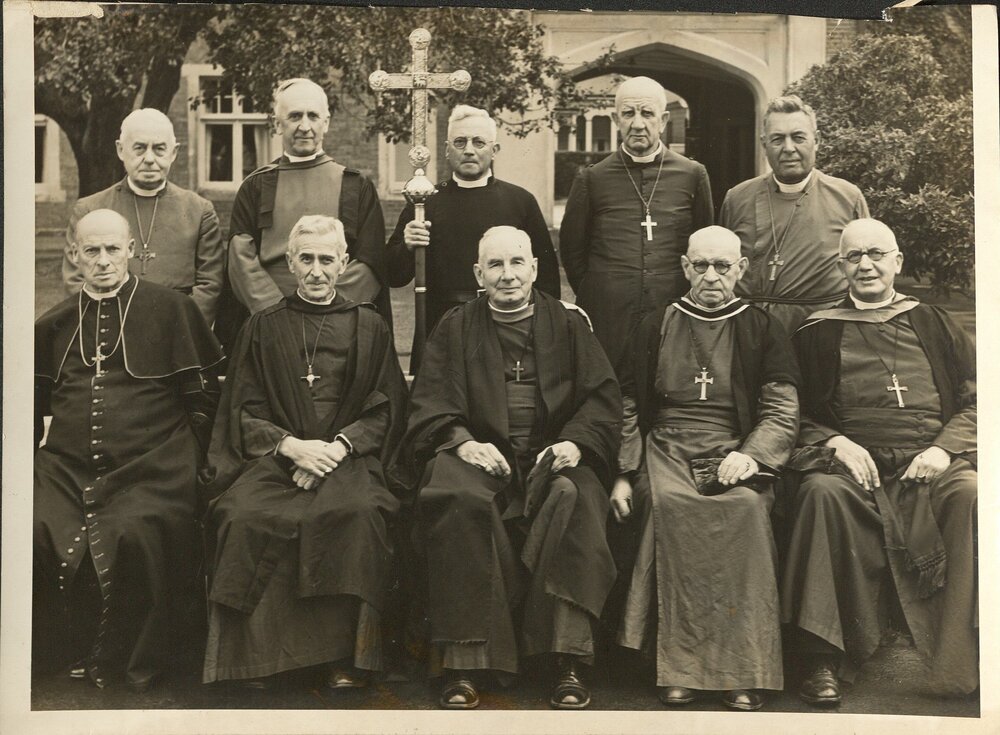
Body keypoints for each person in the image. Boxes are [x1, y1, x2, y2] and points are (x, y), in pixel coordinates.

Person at [404, 226, 621, 710]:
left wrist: (576, 442)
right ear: (478, 273)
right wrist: (461, 443)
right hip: (483, 456)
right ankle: (466, 662)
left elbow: (602, 400)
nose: (507, 276)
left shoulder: (568, 324)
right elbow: (430, 401)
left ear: (536, 268)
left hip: (551, 455)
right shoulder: (455, 325)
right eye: (496, 266)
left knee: (576, 497)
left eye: (517, 263)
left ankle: (566, 659)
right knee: (456, 497)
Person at [202, 215, 408, 689]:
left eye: (327, 260)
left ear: (345, 263)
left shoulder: (369, 326)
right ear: (291, 263)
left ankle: (343, 661)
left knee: (356, 513)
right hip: (278, 458)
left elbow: (388, 408)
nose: (317, 271)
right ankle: (257, 661)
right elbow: (241, 409)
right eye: (307, 259)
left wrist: (335, 449)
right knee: (241, 512)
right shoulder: (261, 326)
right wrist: (292, 447)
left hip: (348, 458)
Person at [782, 219, 977, 704]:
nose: (865, 265)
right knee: (819, 494)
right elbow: (794, 412)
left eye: (875, 254)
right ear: (840, 265)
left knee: (973, 494)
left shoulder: (933, 322)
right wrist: (835, 442)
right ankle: (821, 660)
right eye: (853, 257)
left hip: (930, 462)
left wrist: (944, 447)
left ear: (897, 261)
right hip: (854, 467)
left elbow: (981, 397)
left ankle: (966, 660)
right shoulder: (816, 331)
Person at [34, 209, 223, 691]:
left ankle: (122, 662)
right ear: (74, 254)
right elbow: (27, 410)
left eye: (112, 249)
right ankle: (56, 654)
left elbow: (203, 400)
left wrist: (190, 464)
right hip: (65, 468)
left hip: (153, 464)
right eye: (91, 250)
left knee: (136, 530)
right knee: (33, 525)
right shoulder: (52, 323)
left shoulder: (171, 310)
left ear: (132, 252)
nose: (102, 261)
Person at [612, 225, 800, 711]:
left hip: (734, 446)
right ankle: (680, 671)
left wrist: (752, 455)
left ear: (741, 269)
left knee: (744, 510)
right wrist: (624, 470)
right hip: (667, 446)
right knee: (668, 507)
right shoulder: (655, 323)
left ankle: (743, 671)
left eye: (723, 266)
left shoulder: (761, 327)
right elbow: (629, 403)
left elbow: (781, 409)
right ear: (684, 268)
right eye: (701, 265)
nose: (711, 276)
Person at [218, 78, 390, 351]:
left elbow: (369, 262)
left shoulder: (356, 186)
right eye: (295, 116)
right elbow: (241, 259)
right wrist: (279, 316)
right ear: (277, 123)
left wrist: (325, 312)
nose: (305, 126)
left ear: (327, 122)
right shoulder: (256, 186)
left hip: (338, 328)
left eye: (313, 116)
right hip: (271, 328)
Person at [559, 75, 714, 372]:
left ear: (664, 119)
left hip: (673, 309)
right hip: (609, 315)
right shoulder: (592, 178)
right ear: (617, 119)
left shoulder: (693, 174)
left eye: (647, 113)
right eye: (629, 114)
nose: (638, 124)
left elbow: (702, 241)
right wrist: (604, 289)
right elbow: (572, 251)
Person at [386, 105, 561, 363]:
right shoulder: (424, 202)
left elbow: (547, 281)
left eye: (478, 142)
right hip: (441, 327)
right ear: (446, 150)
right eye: (460, 142)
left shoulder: (520, 202)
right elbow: (393, 275)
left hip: (506, 326)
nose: (468, 150)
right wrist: (407, 246)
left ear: (494, 150)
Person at [719, 95, 870, 334]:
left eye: (798, 137)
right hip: (752, 331)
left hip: (821, 329)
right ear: (764, 143)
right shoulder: (737, 198)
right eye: (777, 139)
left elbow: (866, 268)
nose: (788, 148)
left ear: (817, 140)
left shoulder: (847, 197)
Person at [63, 109, 224, 327]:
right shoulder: (89, 209)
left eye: (159, 149)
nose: (149, 159)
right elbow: (76, 281)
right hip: (111, 329)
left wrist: (179, 331)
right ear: (121, 150)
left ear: (174, 153)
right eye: (139, 148)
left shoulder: (199, 210)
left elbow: (210, 284)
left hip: (178, 331)